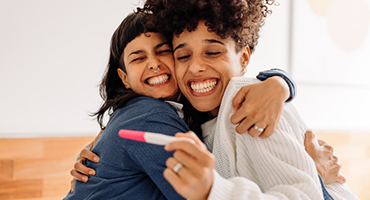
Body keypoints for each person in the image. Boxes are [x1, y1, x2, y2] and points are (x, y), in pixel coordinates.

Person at [64, 10, 296, 199]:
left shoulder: (185, 111)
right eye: (138, 58)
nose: (154, 64)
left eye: (163, 52)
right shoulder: (147, 115)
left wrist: (280, 82)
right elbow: (203, 193)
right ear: (124, 78)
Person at [139, 0, 359, 199]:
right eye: (184, 56)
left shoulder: (250, 104)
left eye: (213, 52)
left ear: (243, 58)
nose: (195, 67)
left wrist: (214, 190)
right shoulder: (189, 117)